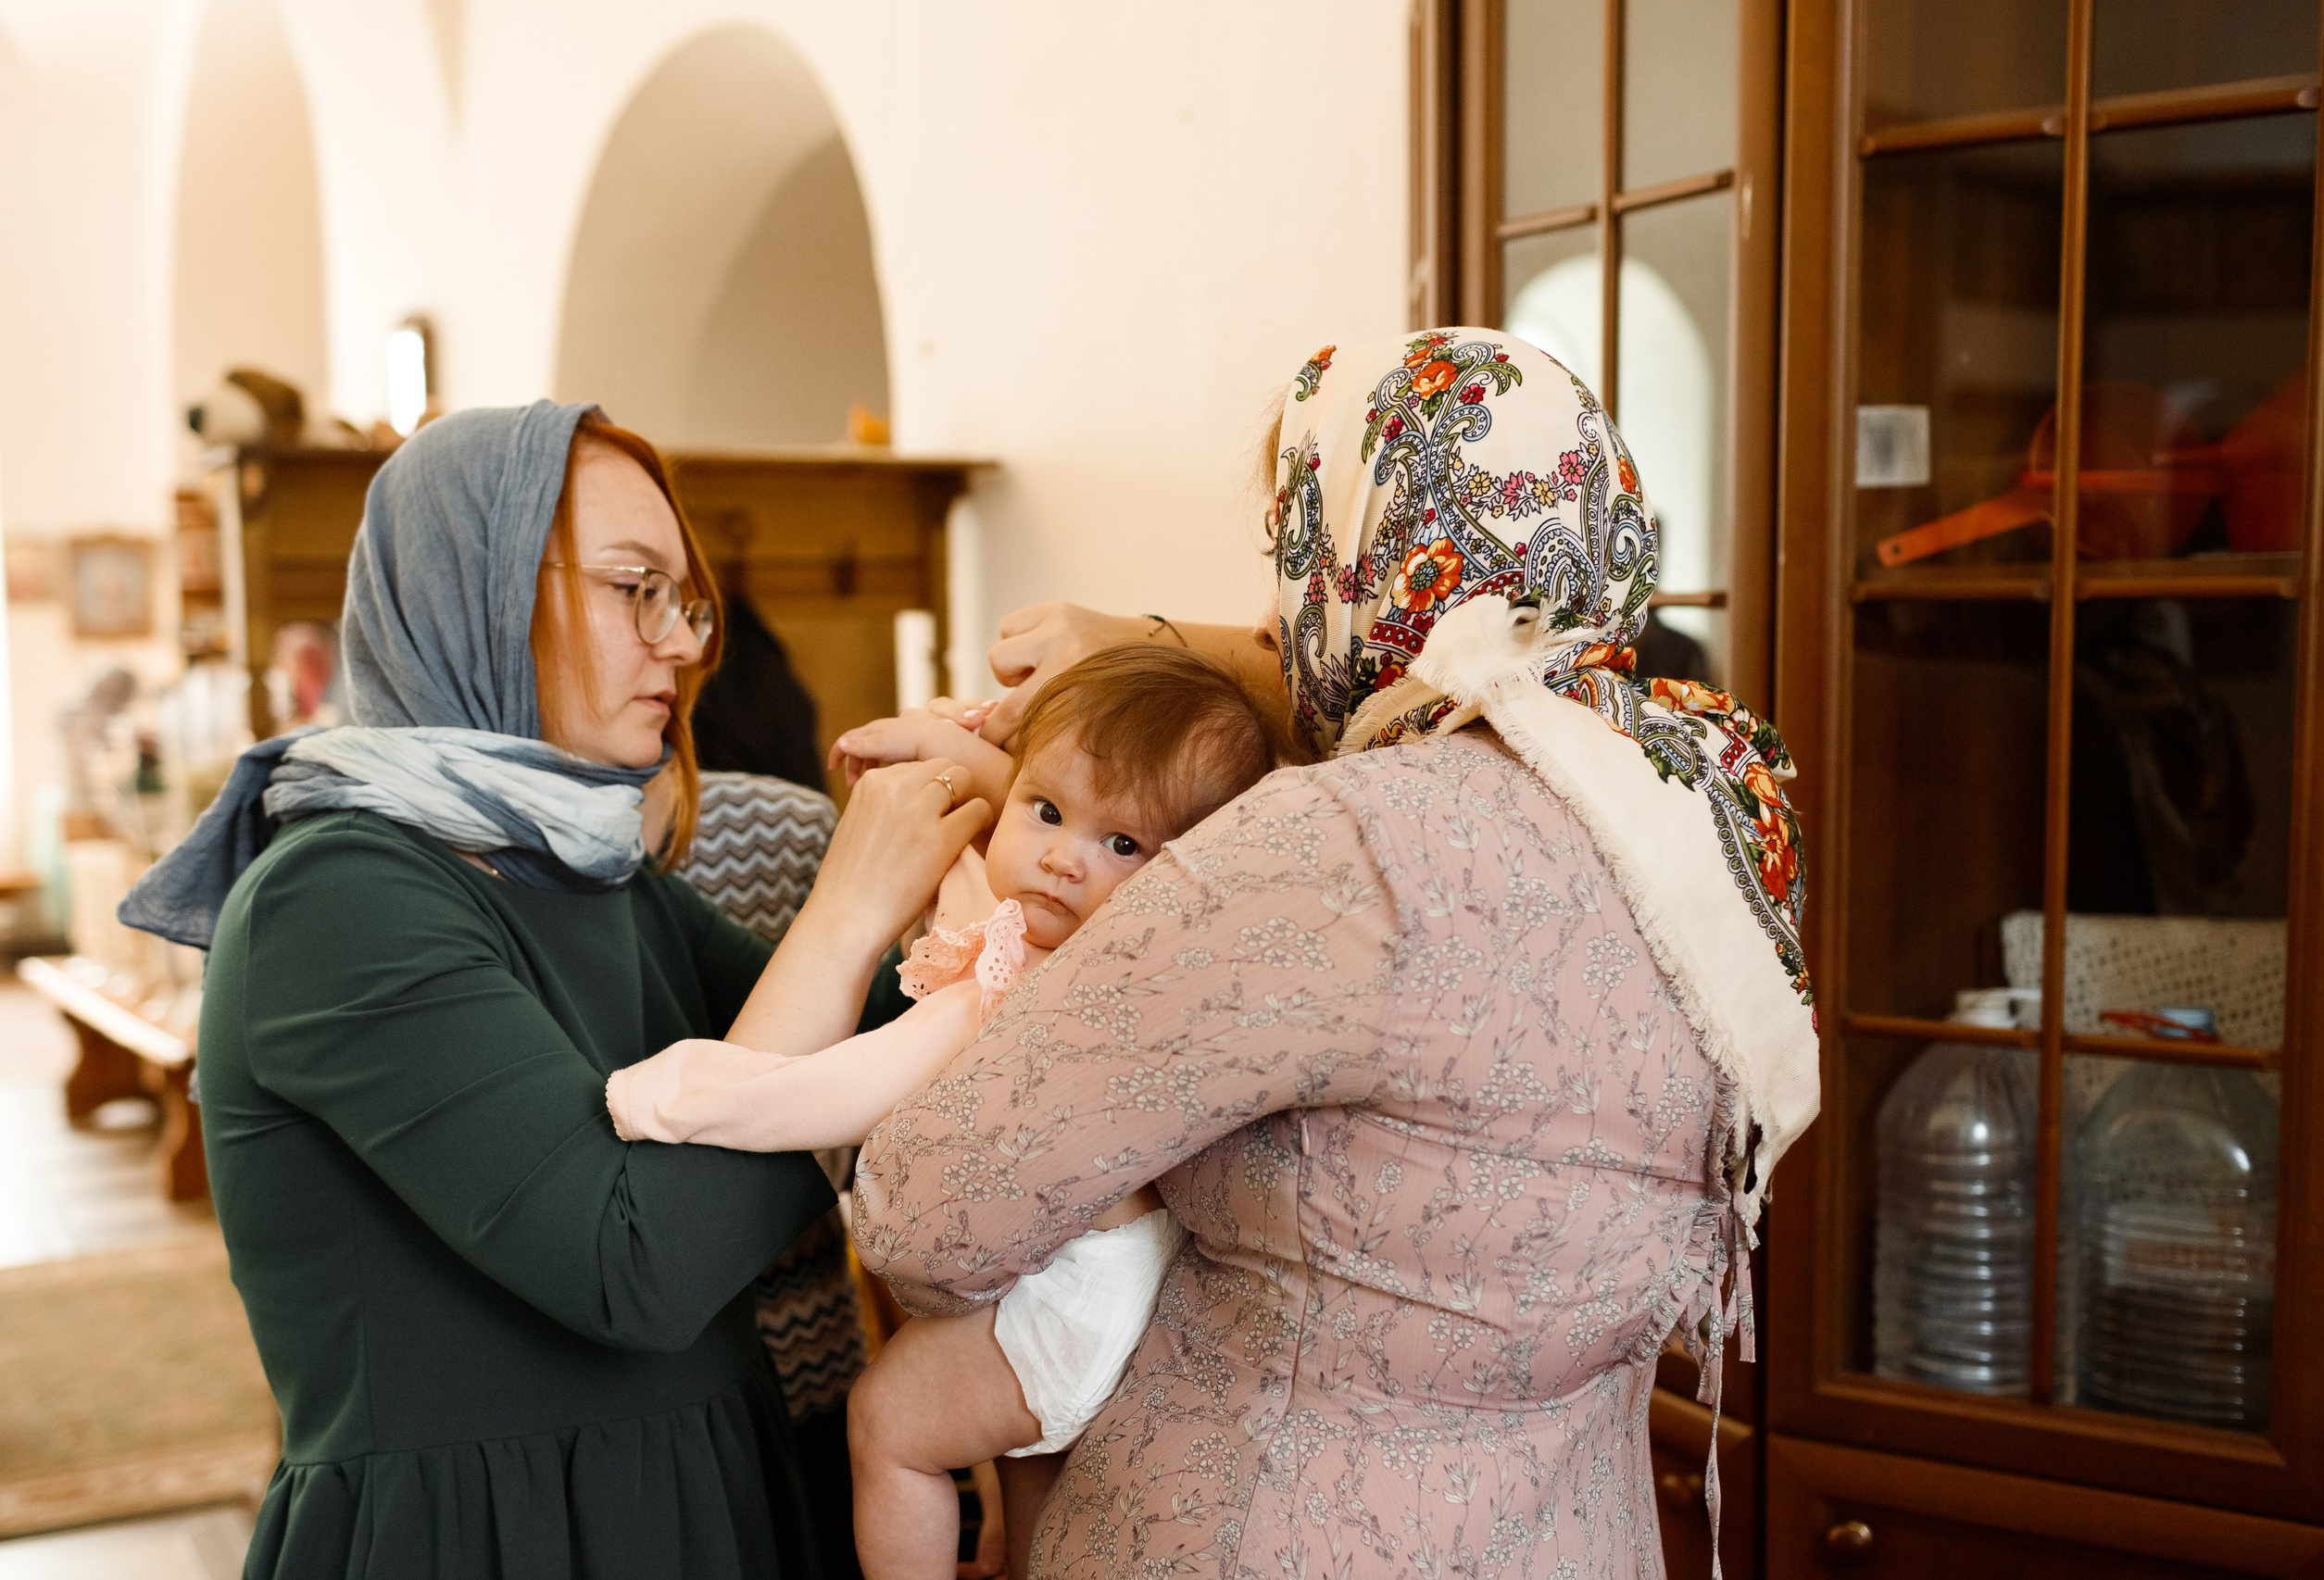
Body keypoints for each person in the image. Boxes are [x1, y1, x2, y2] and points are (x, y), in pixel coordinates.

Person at [852, 331, 1823, 1577]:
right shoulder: (1703, 814)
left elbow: (926, 1214)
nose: (1270, 610)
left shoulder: (1332, 846)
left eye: (1291, 552)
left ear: (1358, 557)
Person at [119, 402, 990, 1580]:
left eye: (685, 601)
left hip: (711, 1500)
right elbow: (637, 1264)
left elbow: (895, 1059)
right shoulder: (334, 898)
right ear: (471, 588)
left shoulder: (595, 877)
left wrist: (1012, 826)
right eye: (635, 588)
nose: (682, 644)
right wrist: (844, 913)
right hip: (478, 1538)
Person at [603, 645, 1286, 1578]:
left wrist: (690, 1097)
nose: (1059, 856)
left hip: (1076, 1294)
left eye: (1120, 844)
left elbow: (858, 1082)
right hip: (1108, 1284)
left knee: (885, 1419)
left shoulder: (1017, 981)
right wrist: (936, 742)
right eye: (1044, 811)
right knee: (1022, 1460)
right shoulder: (1127, 969)